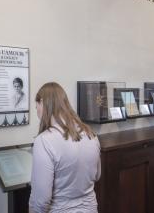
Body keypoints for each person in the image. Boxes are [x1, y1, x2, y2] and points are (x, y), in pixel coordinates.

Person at [29, 82, 101, 213]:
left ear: (43, 102)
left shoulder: (44, 141)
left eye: (37, 106)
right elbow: (97, 175)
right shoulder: (90, 133)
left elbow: (41, 200)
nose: (37, 111)